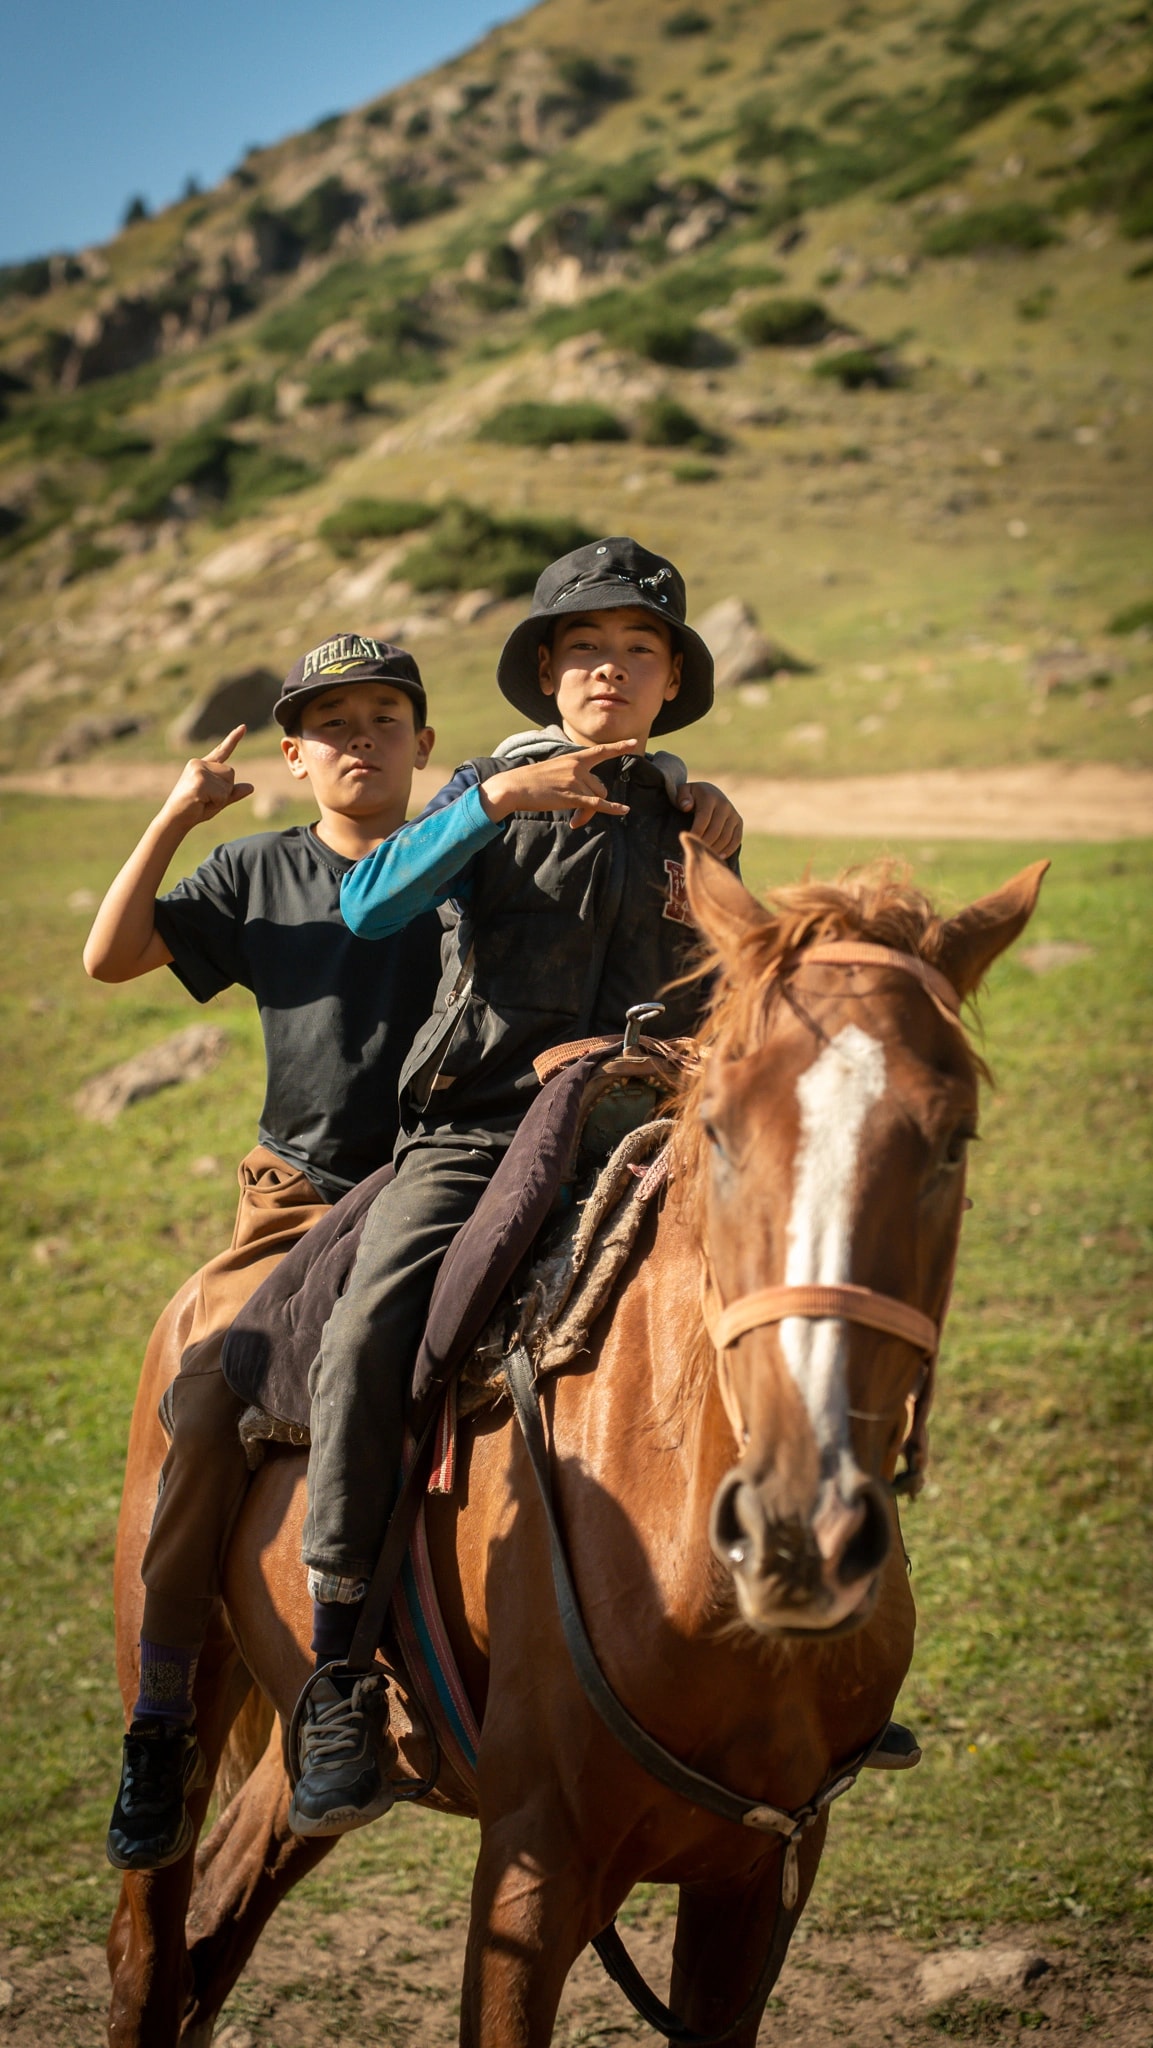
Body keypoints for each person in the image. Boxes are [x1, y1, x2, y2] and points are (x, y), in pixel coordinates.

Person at [291, 536, 745, 1837]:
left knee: (794, 1304)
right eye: (585, 647)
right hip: (476, 1133)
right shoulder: (481, 792)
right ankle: (337, 1671)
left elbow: (735, 984)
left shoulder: (686, 817)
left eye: (637, 648)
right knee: (371, 1333)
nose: (610, 667)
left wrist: (719, 851)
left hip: (642, 1134)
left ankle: (800, 1636)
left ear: (669, 680)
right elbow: (372, 905)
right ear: (548, 672)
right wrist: (490, 808)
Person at [85, 635, 444, 1872]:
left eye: (383, 715)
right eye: (330, 723)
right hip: (299, 1203)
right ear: (293, 756)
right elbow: (109, 955)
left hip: (452, 1185)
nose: (359, 738)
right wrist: (178, 814)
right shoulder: (257, 873)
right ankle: (163, 1718)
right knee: (207, 1399)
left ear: (422, 742)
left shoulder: (467, 857)